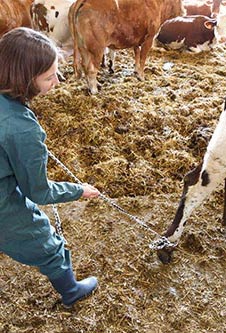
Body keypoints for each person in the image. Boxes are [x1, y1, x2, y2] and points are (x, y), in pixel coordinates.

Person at [0, 27, 100, 308]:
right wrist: (78, 190)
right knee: (44, 240)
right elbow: (38, 192)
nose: (58, 80)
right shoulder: (21, 128)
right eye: (49, 77)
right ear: (23, 79)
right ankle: (71, 291)